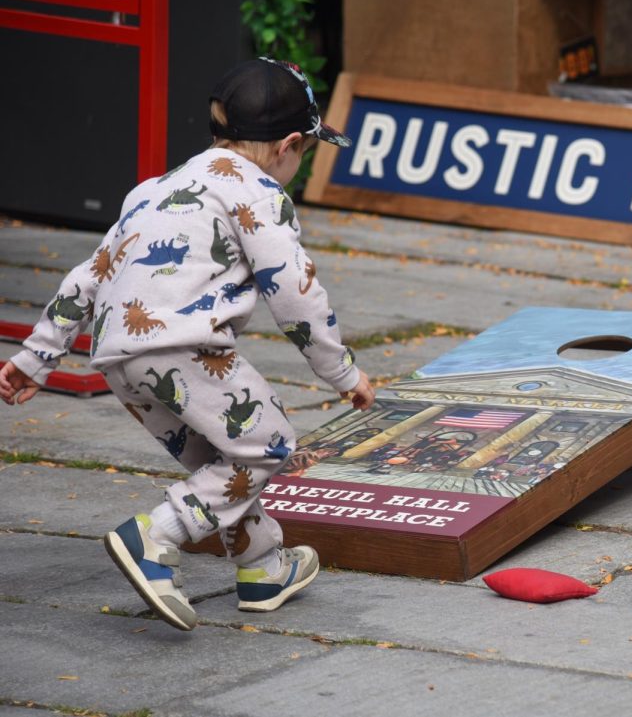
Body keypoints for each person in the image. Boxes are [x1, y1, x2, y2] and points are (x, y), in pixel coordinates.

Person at [0, 57, 376, 631]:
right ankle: (157, 537)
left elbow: (89, 275)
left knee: (225, 461)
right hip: (182, 345)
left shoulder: (155, 188)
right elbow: (295, 293)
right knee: (269, 442)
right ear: (290, 145)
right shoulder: (261, 195)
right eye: (306, 152)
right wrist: (342, 372)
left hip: (118, 356)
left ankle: (263, 565)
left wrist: (36, 357)